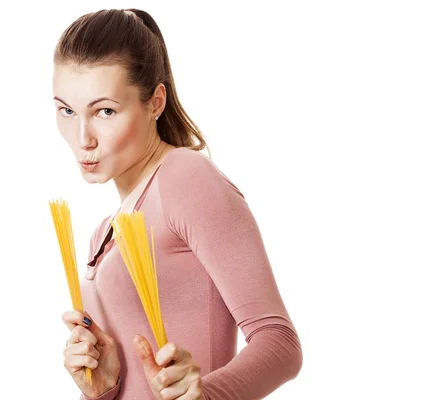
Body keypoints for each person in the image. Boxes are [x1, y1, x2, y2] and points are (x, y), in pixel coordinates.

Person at [53, 8, 302, 400]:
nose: (83, 138)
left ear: (155, 102)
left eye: (105, 111)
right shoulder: (104, 231)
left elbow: (280, 344)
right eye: (67, 110)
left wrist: (206, 394)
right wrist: (102, 387)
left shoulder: (185, 178)